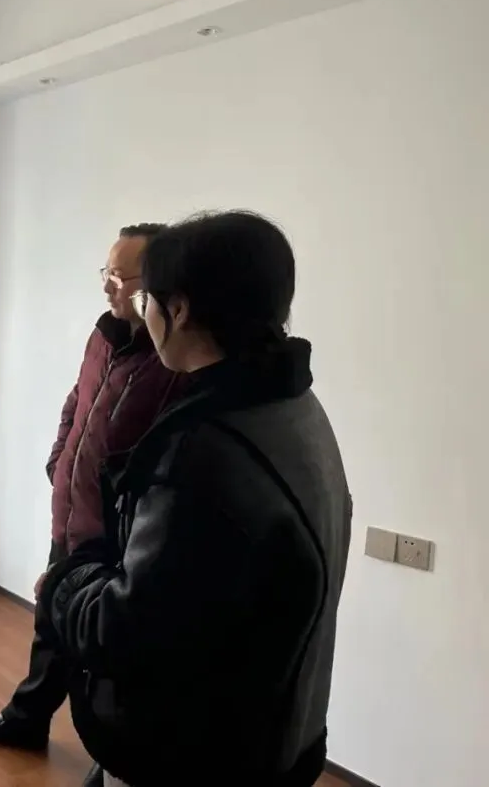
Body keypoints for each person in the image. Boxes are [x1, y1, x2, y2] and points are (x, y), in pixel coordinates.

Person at [38, 211, 352, 787]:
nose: (139, 311)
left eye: (147, 298)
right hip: (272, 732)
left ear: (177, 309)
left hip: (195, 752)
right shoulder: (297, 411)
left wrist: (63, 583)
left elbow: (123, 630)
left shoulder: (202, 451)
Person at [0, 225, 184, 787]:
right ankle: (26, 719)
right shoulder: (104, 335)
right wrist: (59, 456)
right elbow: (76, 401)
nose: (108, 286)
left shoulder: (171, 361)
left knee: (107, 646)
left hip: (117, 532)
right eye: (106, 272)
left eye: (121, 276)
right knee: (52, 622)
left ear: (156, 284)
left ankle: (110, 759)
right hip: (71, 512)